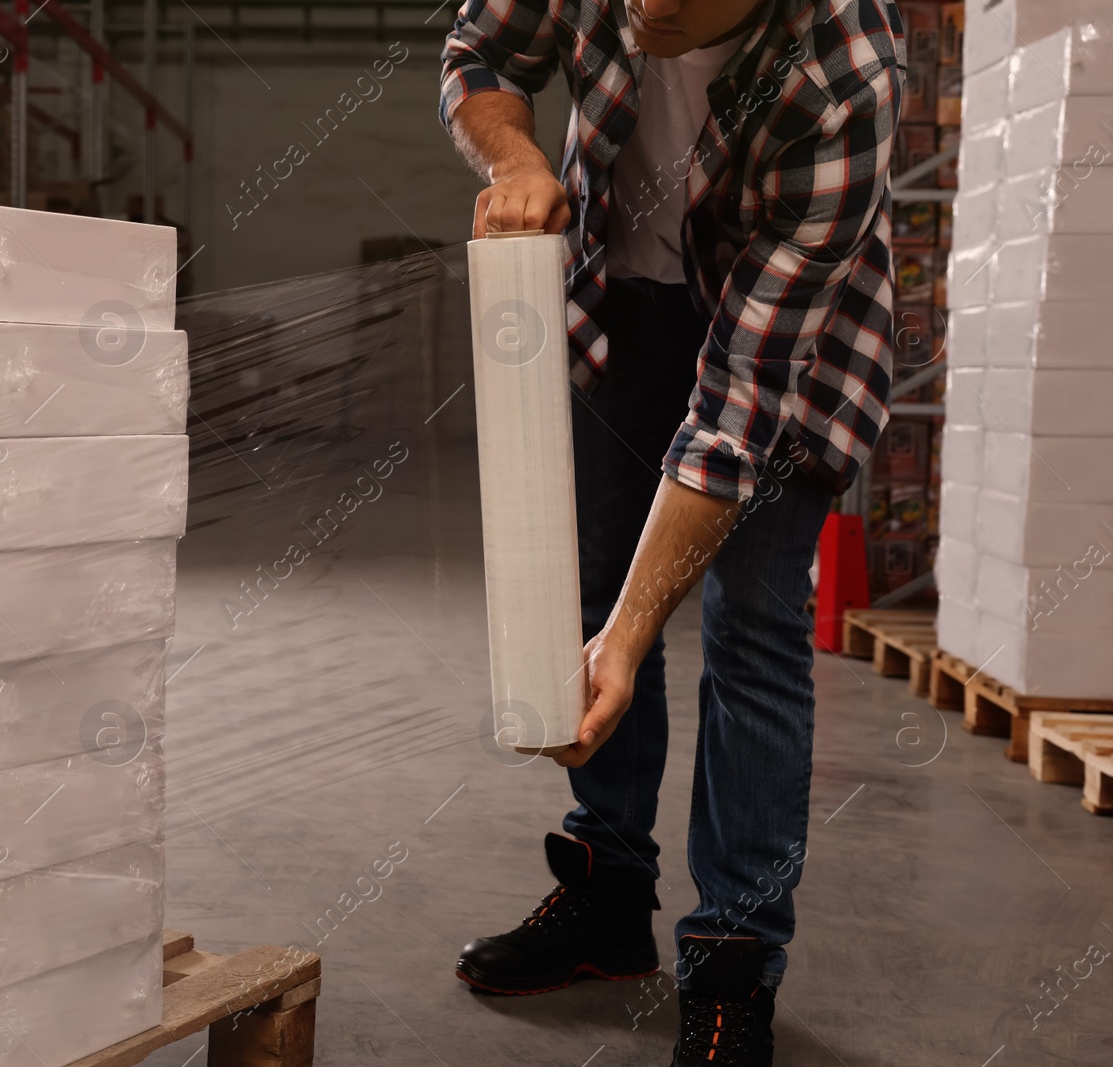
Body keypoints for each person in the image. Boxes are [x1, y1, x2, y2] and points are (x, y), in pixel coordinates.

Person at [440, 0, 904, 1060]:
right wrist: (511, 156)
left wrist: (639, 626)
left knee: (750, 626)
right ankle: (607, 899)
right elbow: (481, 48)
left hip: (785, 334)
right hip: (623, 296)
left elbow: (740, 404)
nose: (648, 5)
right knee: (595, 584)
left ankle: (733, 958)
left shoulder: (846, 75)